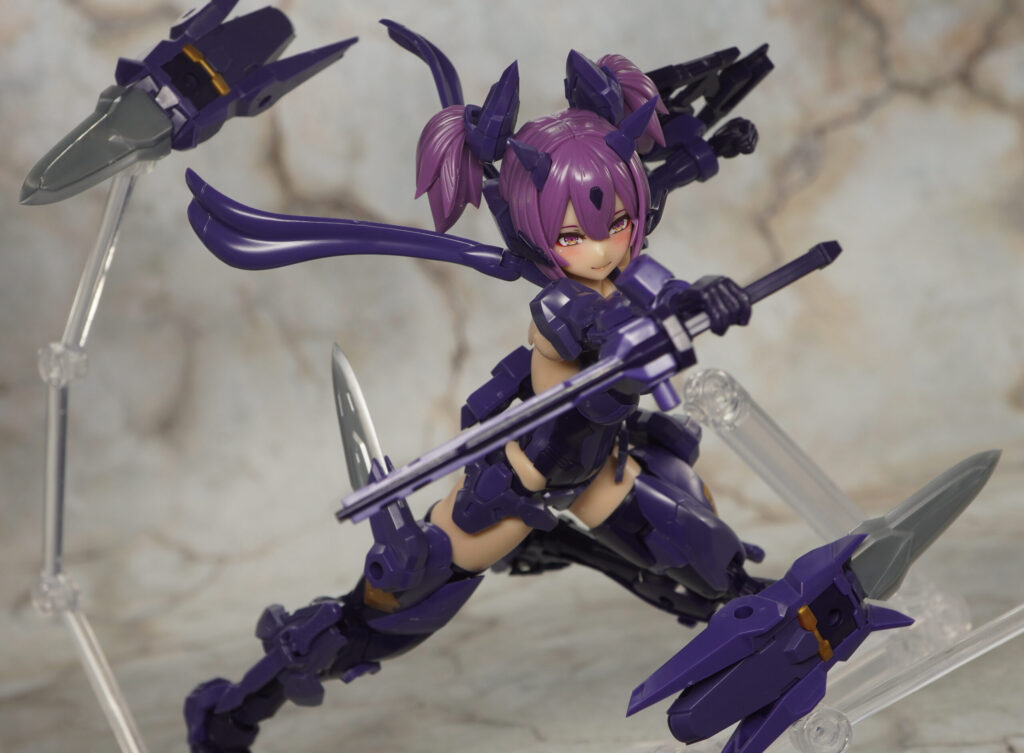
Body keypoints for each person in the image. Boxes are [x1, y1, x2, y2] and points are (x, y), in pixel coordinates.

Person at [183, 28, 771, 753]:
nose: (602, 247)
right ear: (534, 233)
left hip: (600, 468)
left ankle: (759, 628)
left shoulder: (623, 250)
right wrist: (673, 308)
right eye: (573, 236)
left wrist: (699, 256)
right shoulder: (561, 306)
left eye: (617, 224)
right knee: (393, 604)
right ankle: (233, 711)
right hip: (517, 484)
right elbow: (612, 322)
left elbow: (653, 254)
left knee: (706, 554)